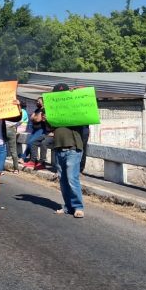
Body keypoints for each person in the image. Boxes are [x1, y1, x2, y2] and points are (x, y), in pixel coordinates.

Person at [49, 84, 86, 218]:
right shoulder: (53, 110)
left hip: (73, 148)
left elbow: (85, 95)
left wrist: (75, 93)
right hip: (59, 148)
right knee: (63, 180)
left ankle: (78, 207)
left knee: (72, 178)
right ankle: (68, 206)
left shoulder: (76, 108)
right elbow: (49, 127)